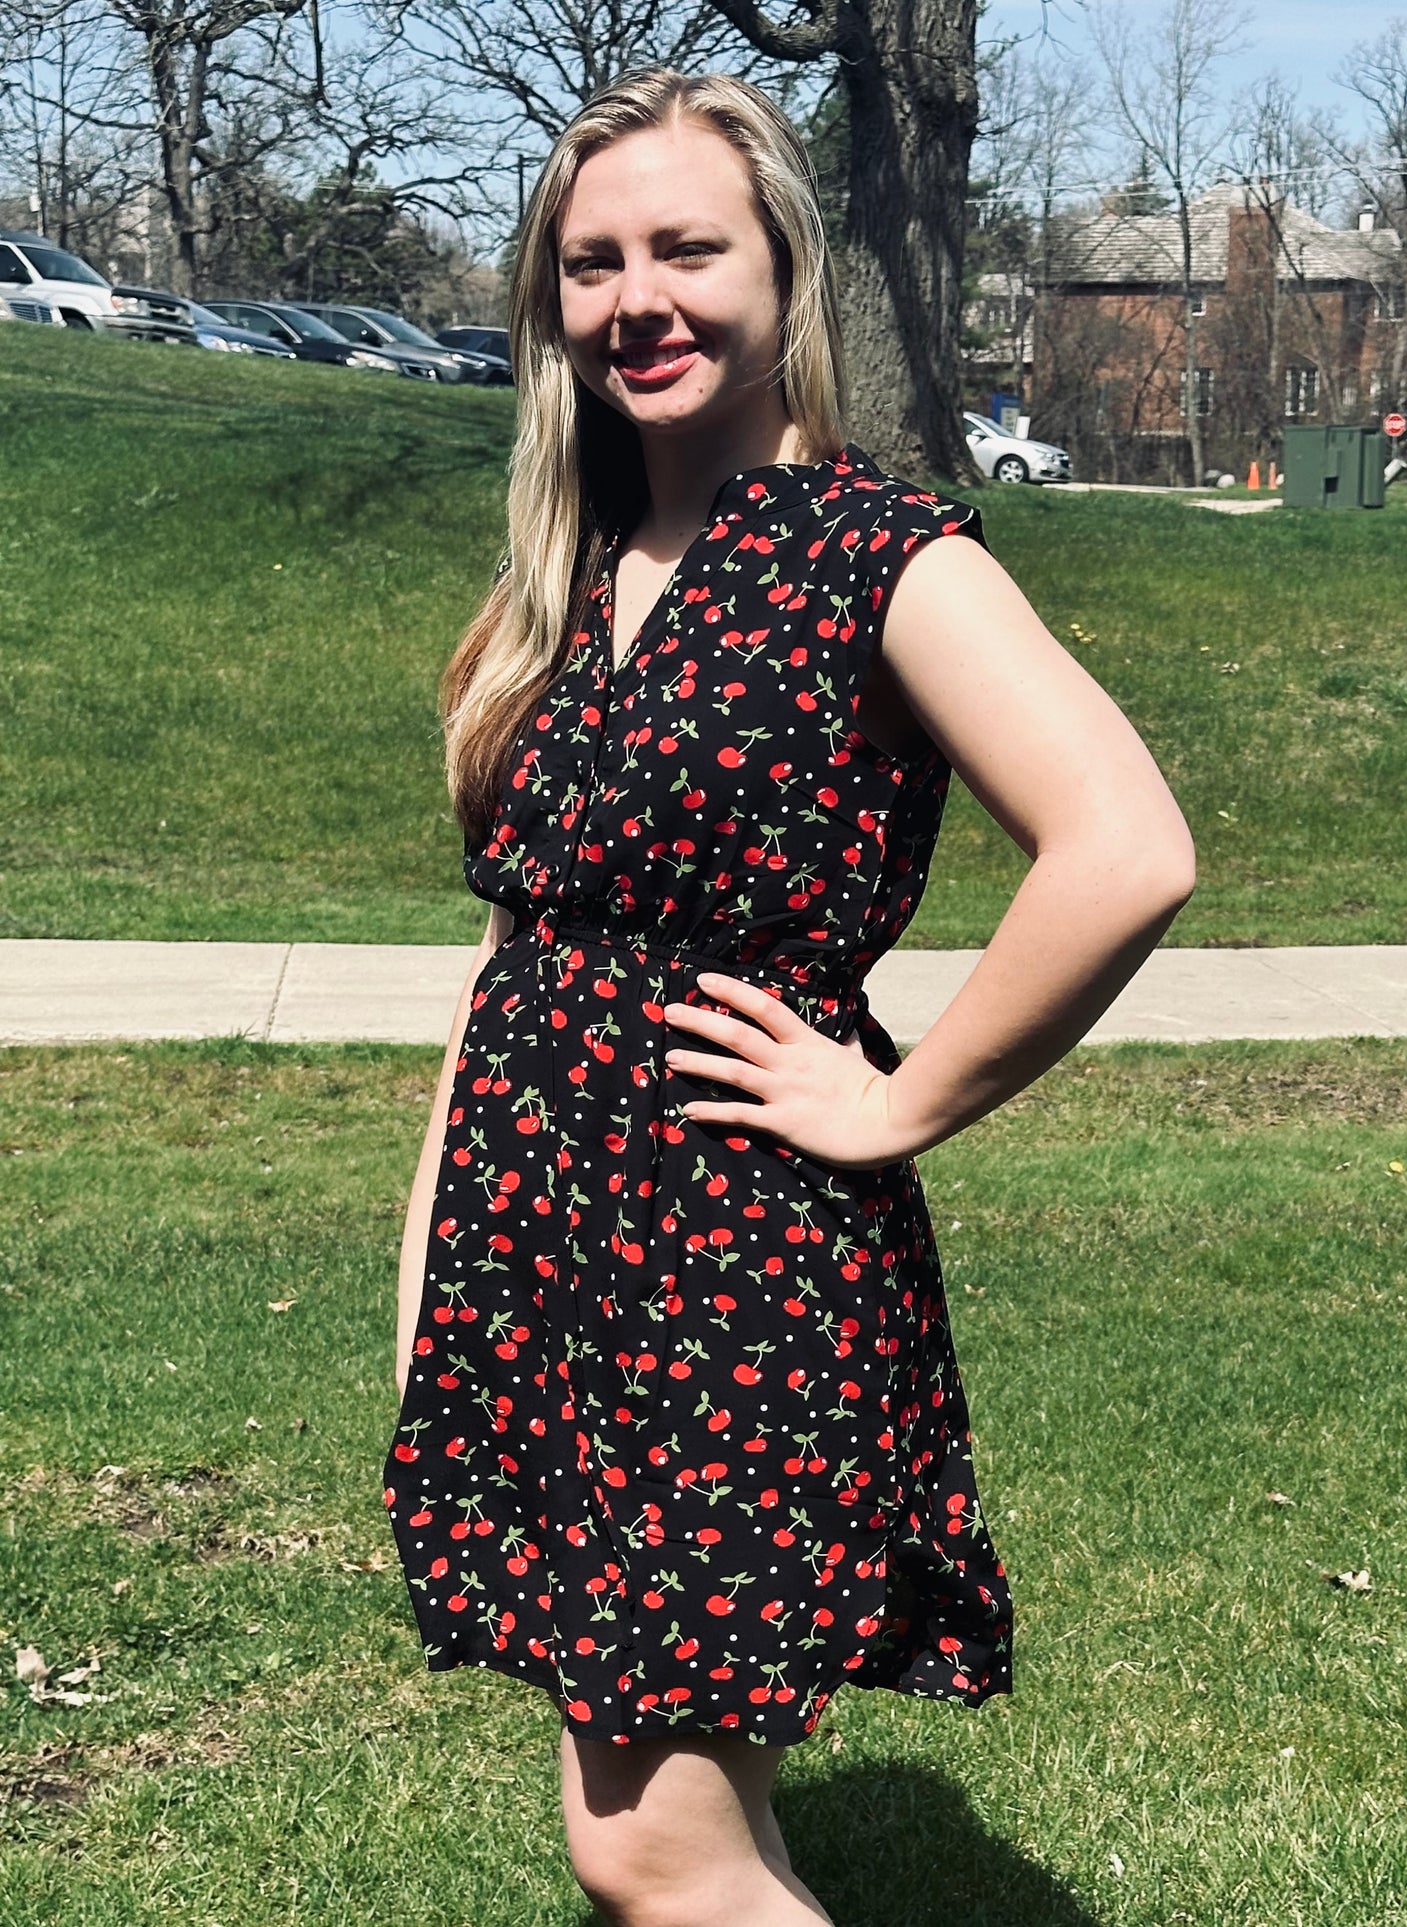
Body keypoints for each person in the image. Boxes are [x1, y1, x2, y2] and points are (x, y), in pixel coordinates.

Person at [382, 65, 1195, 1927]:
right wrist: (435, 1271)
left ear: (782, 274)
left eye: (688, 248)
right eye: (591, 262)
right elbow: (524, 959)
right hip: (543, 1260)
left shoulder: (871, 554)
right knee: (672, 1816)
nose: (635, 299)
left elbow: (1125, 848)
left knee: (646, 1844)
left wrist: (892, 1103)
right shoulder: (568, 579)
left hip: (724, 1262)